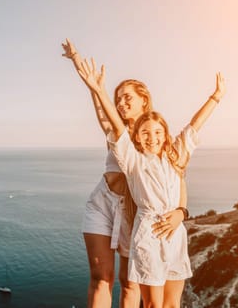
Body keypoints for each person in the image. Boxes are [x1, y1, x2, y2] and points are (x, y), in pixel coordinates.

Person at [76, 56, 225, 308]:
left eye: (157, 133)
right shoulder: (131, 157)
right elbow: (110, 121)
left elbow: (194, 126)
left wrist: (216, 97)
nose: (151, 137)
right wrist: (97, 89)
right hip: (135, 220)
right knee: (137, 294)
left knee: (160, 298)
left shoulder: (173, 155)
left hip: (168, 229)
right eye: (146, 133)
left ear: (165, 134)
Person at [62, 39, 188, 308]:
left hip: (134, 211)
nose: (120, 102)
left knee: (130, 282)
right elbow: (101, 107)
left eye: (127, 97)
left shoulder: (156, 137)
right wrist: (82, 70)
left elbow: (177, 176)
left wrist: (181, 211)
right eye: (117, 99)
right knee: (101, 278)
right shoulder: (114, 130)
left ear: (144, 99)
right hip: (102, 203)